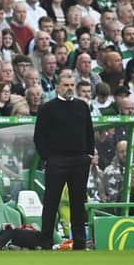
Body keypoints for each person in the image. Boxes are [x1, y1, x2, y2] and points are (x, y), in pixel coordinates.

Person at [34, 73, 94, 250]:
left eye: (71, 84)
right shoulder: (47, 108)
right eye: (65, 84)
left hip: (79, 161)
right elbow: (39, 137)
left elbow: (89, 132)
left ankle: (80, 243)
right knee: (51, 202)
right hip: (57, 161)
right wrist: (48, 159)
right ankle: (45, 242)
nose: (69, 88)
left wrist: (89, 155)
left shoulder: (82, 106)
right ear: (57, 87)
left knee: (78, 203)